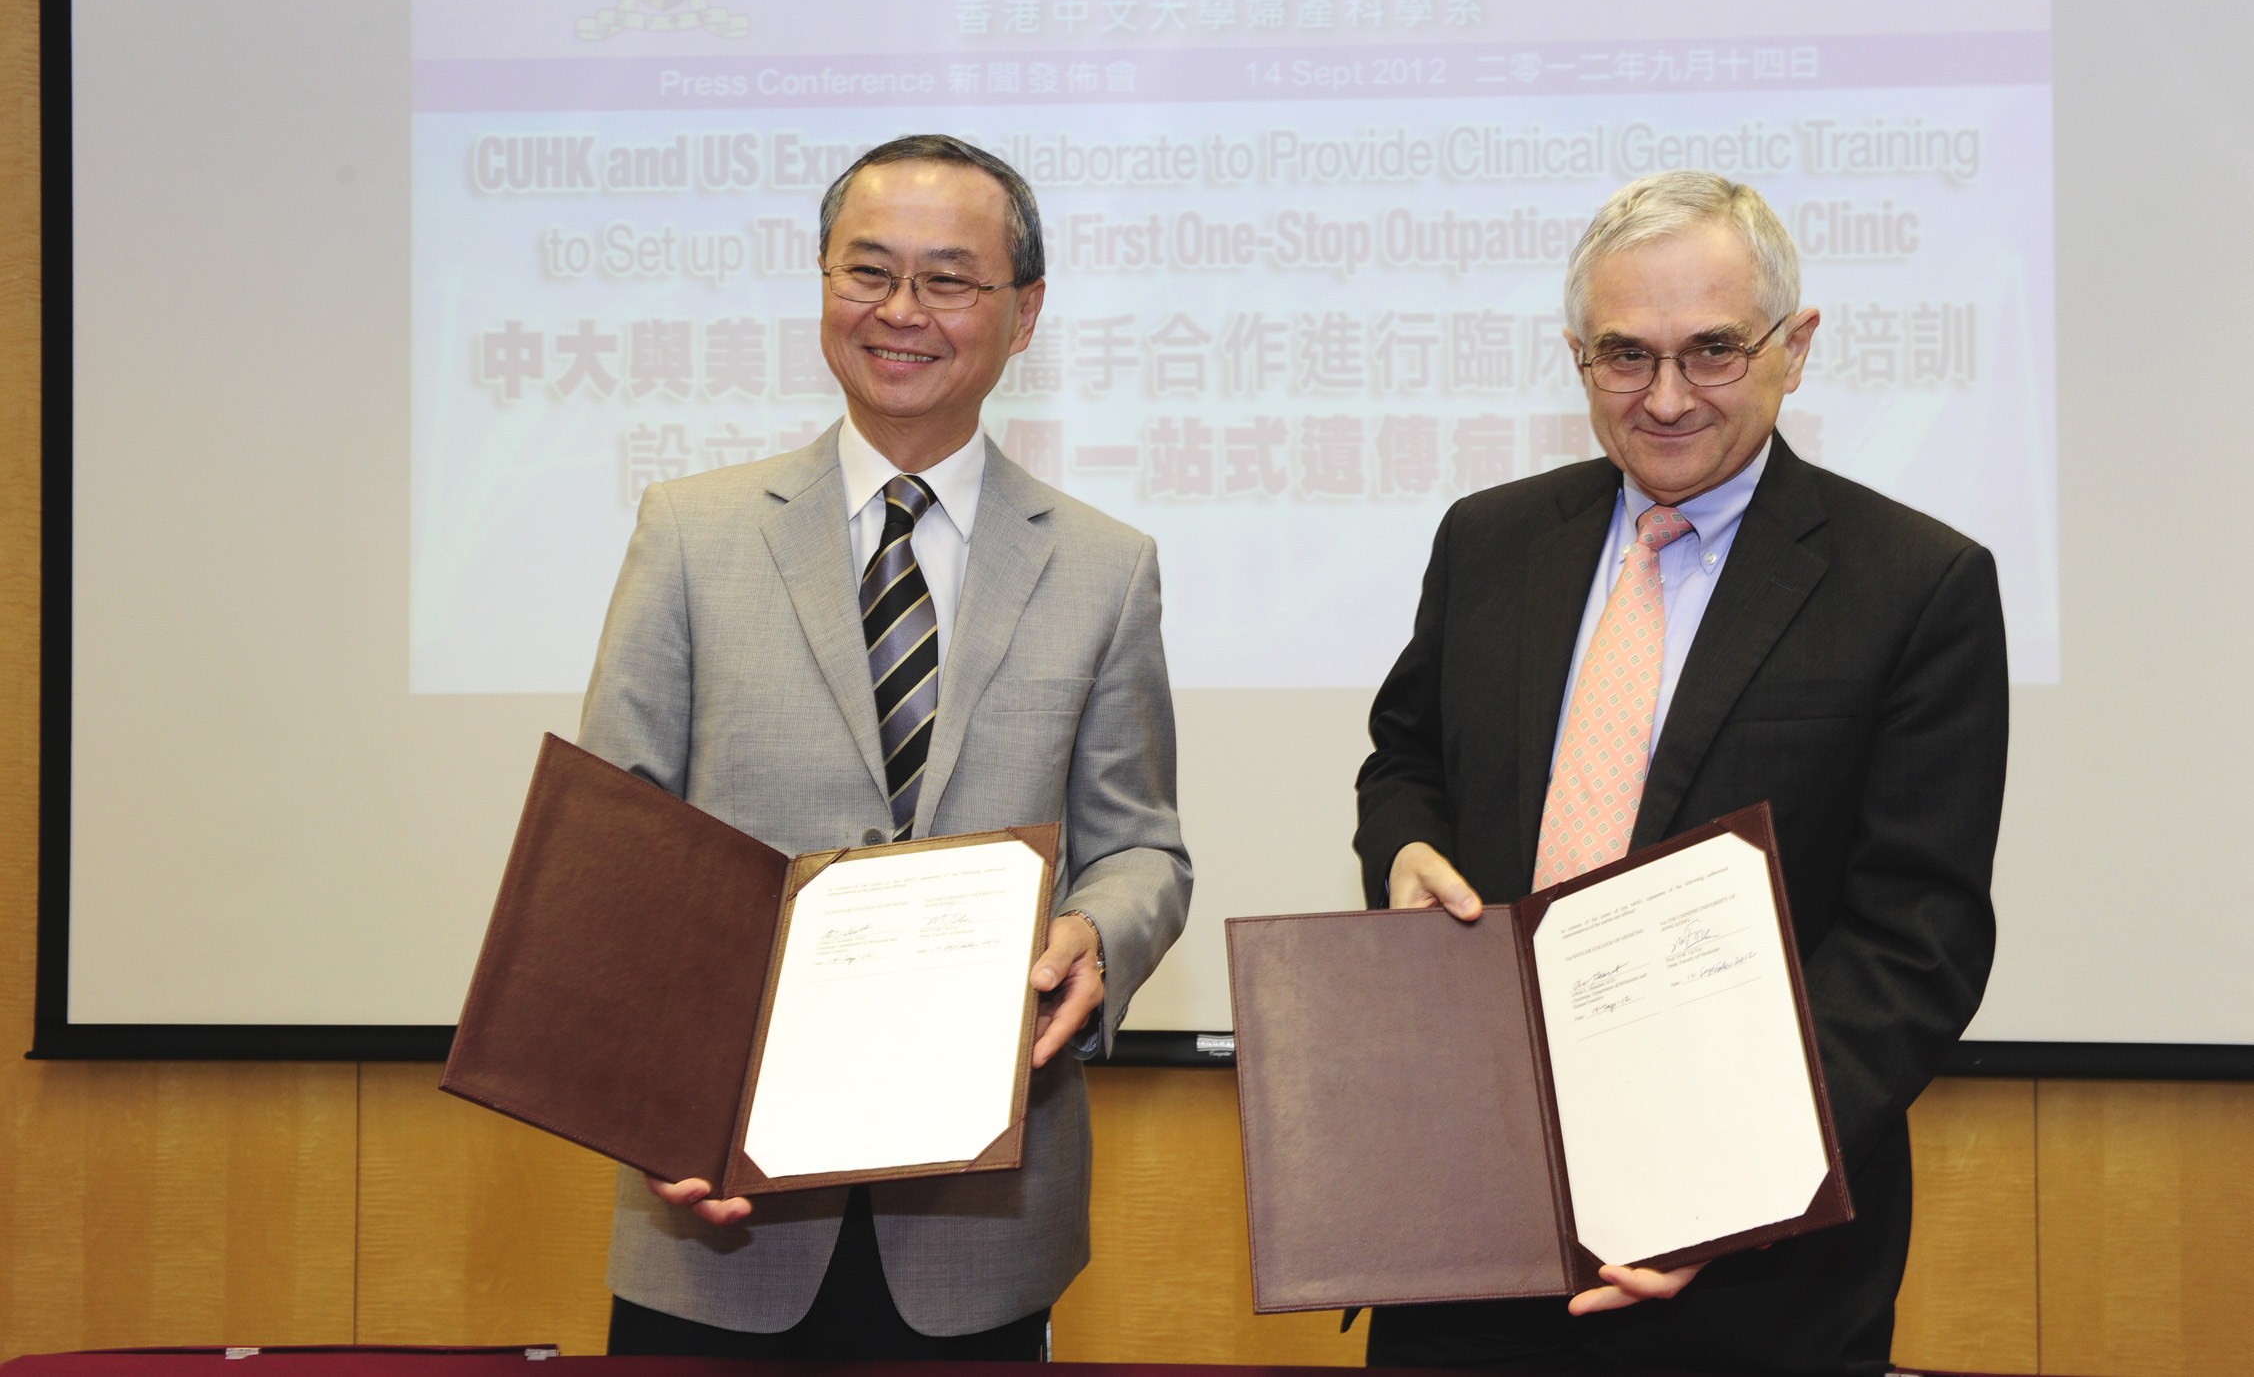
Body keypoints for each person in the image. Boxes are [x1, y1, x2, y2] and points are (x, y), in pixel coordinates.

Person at [1355, 170, 2008, 1376]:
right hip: (1469, 1227)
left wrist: (1733, 1186)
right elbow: (1405, 764)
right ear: (1575, 357)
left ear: (1793, 347)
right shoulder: (1489, 540)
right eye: (1624, 355)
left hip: (1757, 1273)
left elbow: (1918, 936)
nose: (1664, 398)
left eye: (1711, 351)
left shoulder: (1916, 582)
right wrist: (1403, 853)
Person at [578, 134, 1192, 1359]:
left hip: (977, 1223)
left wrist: (1095, 936)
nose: (901, 312)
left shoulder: (1103, 566)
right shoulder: (692, 535)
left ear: (1023, 316)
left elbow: (1142, 853)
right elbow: (614, 846)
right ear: (820, 287)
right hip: (717, 1206)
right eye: (868, 272)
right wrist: (655, 1102)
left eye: (949, 280)